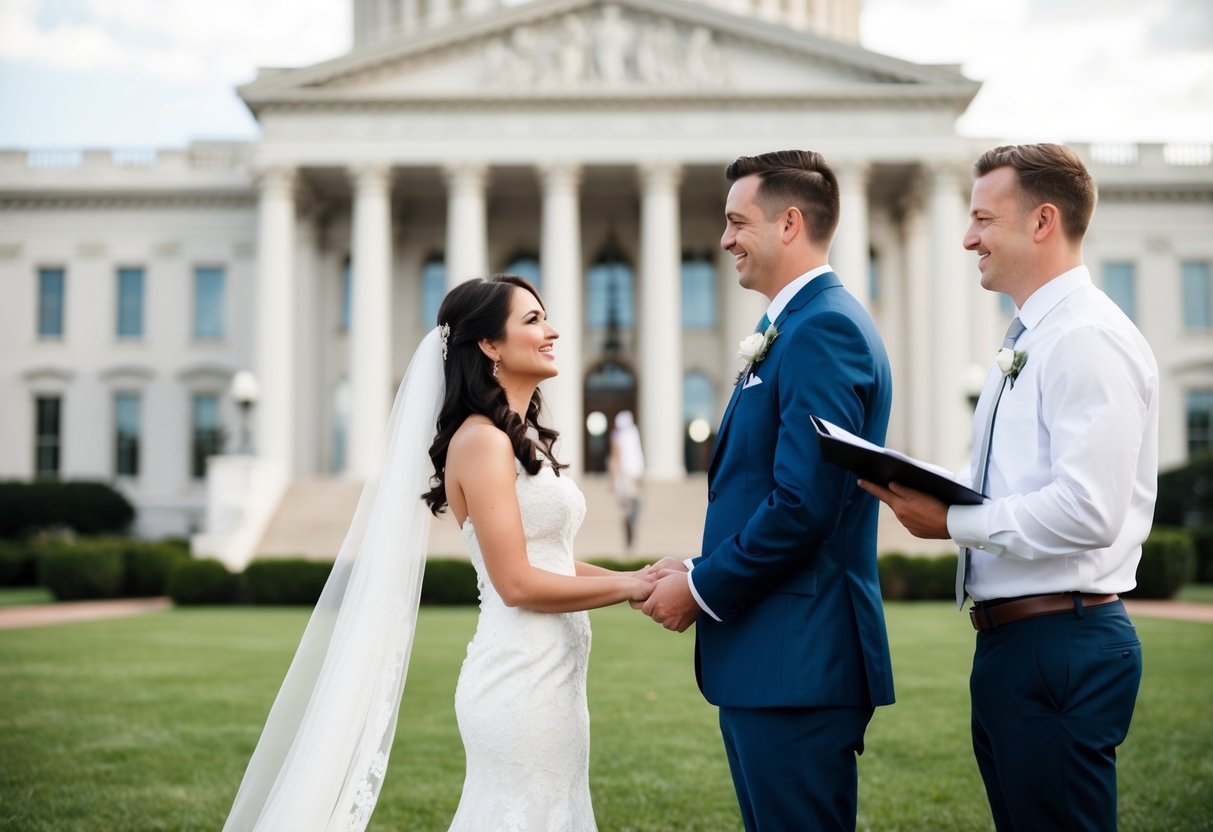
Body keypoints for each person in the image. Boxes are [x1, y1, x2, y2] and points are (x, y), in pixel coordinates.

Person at [223, 275, 653, 832]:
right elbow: (517, 583)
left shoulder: (517, 439)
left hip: (554, 677)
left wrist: (638, 574)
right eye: (533, 320)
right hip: (518, 679)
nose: (553, 331)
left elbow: (547, 561)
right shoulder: (480, 441)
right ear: (489, 345)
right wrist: (631, 588)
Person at [859, 143, 1157, 831]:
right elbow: (1005, 478)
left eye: (982, 220)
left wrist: (952, 524)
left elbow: (1089, 510)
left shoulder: (1084, 338)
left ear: (1041, 221)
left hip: (1058, 639)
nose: (966, 238)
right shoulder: (1029, 337)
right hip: (1017, 640)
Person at [639, 150, 895, 831]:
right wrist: (696, 566)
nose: (723, 240)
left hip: (799, 661)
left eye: (735, 222)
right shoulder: (792, 327)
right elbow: (770, 490)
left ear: (788, 224)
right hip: (775, 658)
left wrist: (699, 589)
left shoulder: (824, 329)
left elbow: (802, 504)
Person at [607, 409, 644, 554]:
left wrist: (612, 479)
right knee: (631, 507)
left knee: (630, 508)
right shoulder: (631, 433)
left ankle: (629, 532)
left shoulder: (622, 435)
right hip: (628, 477)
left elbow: (616, 458)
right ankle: (629, 533)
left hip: (627, 477)